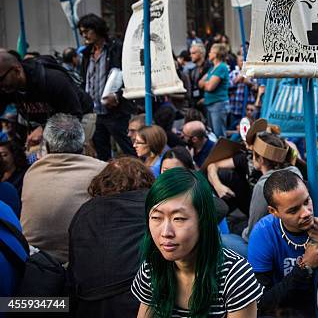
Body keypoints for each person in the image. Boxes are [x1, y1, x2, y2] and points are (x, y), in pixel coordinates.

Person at [131, 167, 262, 317]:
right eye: (156, 217)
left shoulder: (235, 276)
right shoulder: (152, 268)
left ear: (203, 221)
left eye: (178, 218)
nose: (166, 232)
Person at [248, 170, 318, 316]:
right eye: (293, 210)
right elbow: (261, 302)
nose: (306, 213)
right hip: (290, 309)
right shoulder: (263, 234)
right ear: (274, 211)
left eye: (306, 201)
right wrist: (304, 267)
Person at [69, 157, 155, 317]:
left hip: (89, 305)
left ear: (103, 182)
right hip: (139, 302)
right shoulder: (153, 205)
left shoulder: (85, 212)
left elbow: (75, 267)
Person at [20, 113, 106, 264]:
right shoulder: (102, 171)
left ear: (46, 145)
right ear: (82, 143)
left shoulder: (32, 171)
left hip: (33, 261)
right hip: (79, 263)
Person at [0, 51, 93, 145]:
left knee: (68, 154)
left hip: (79, 116)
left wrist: (43, 129)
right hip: (49, 123)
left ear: (17, 70)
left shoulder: (54, 80)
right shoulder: (7, 87)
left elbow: (74, 117)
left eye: (1, 79)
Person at [78, 13, 136, 160]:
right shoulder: (86, 54)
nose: (84, 36)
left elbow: (128, 76)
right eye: (82, 33)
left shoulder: (116, 48)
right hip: (94, 113)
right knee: (102, 154)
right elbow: (85, 81)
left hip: (115, 111)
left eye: (87, 31)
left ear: (97, 29)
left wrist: (117, 96)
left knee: (128, 148)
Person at [242, 132, 301, 242]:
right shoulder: (295, 171)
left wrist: (244, 232)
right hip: (296, 235)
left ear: (261, 159)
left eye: (253, 154)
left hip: (273, 243)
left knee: (226, 240)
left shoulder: (262, 186)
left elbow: (253, 231)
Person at [200, 43, 230, 138]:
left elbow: (209, 87)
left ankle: (223, 153)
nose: (208, 54)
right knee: (212, 134)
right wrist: (207, 84)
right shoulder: (212, 69)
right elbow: (200, 82)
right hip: (211, 105)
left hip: (218, 105)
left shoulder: (221, 67)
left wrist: (206, 84)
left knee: (219, 135)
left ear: (216, 53)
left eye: (210, 52)